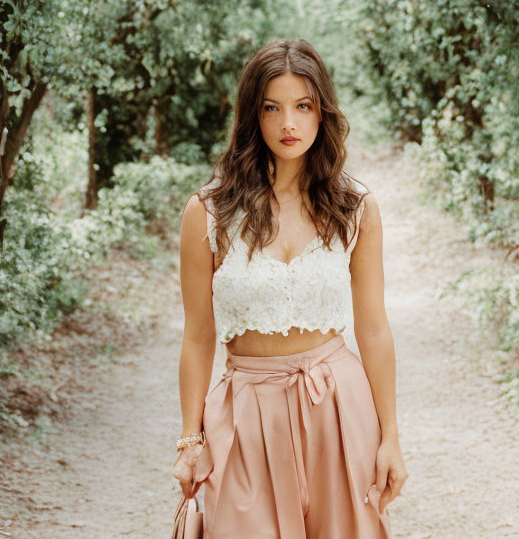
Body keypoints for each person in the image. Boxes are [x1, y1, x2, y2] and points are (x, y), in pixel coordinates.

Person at [172, 37, 407, 537]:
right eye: (271, 108)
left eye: (303, 106)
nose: (288, 124)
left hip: (338, 410)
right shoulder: (209, 212)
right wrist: (190, 441)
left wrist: (391, 438)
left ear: (323, 112)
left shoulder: (354, 207)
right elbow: (197, 336)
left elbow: (374, 327)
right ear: (252, 117)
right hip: (247, 415)